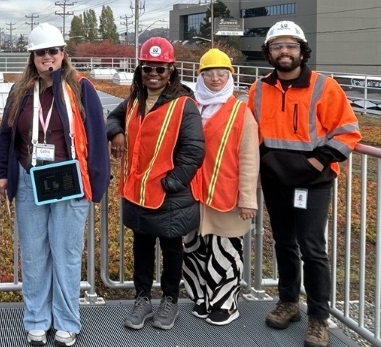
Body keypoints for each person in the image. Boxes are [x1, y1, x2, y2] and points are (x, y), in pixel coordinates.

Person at [0, 23, 110, 347]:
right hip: (30, 178)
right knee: (33, 255)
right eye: (41, 52)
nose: (48, 57)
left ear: (63, 53)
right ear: (32, 56)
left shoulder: (80, 87)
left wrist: (97, 184)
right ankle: (36, 319)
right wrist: (1, 171)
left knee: (66, 254)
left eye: (53, 51)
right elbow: (6, 134)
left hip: (68, 181)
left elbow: (97, 135)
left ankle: (67, 321)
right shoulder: (20, 91)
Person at [248, 20, 360, 347]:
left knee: (312, 249)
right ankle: (288, 303)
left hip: (312, 182)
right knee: (284, 244)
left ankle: (318, 319)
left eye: (291, 46)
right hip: (276, 182)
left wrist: (313, 162)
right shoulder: (258, 89)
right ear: (269, 52)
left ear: (302, 50)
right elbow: (249, 134)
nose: (285, 52)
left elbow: (348, 133)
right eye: (278, 46)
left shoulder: (325, 87)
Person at [107, 36, 204, 331]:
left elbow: (194, 149)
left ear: (171, 71)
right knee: (142, 246)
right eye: (148, 68)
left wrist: (172, 183)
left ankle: (170, 301)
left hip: (168, 194)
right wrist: (116, 133)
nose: (153, 74)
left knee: (173, 249)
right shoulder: (135, 100)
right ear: (141, 70)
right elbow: (113, 117)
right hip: (138, 191)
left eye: (160, 69)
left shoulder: (184, 104)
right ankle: (143, 299)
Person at [181, 48, 259, 326]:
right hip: (193, 193)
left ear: (230, 77)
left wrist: (248, 198)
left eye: (221, 74)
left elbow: (250, 156)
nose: (215, 78)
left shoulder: (241, 111)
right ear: (200, 76)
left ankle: (225, 303)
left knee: (225, 251)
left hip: (226, 193)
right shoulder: (191, 106)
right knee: (193, 248)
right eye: (209, 73)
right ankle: (200, 298)